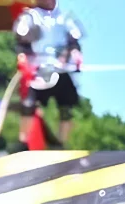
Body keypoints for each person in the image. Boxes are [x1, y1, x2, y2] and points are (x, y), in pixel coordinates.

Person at [12, 0, 86, 148]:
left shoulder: (65, 18)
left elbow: (74, 42)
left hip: (61, 68)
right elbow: (22, 42)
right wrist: (23, 59)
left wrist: (75, 55)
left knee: (66, 107)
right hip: (37, 68)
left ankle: (61, 143)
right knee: (28, 105)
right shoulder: (30, 16)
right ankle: (23, 142)